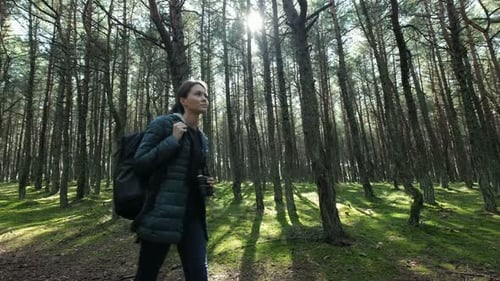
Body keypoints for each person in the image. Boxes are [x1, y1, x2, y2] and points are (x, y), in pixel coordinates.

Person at [132, 79, 215, 281]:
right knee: (147, 274)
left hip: (193, 215)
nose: (204, 99)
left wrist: (207, 185)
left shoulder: (202, 138)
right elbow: (140, 162)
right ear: (183, 100)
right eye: (198, 94)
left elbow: (189, 174)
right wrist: (172, 140)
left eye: (205, 95)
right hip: (161, 214)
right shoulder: (164, 124)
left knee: (198, 274)